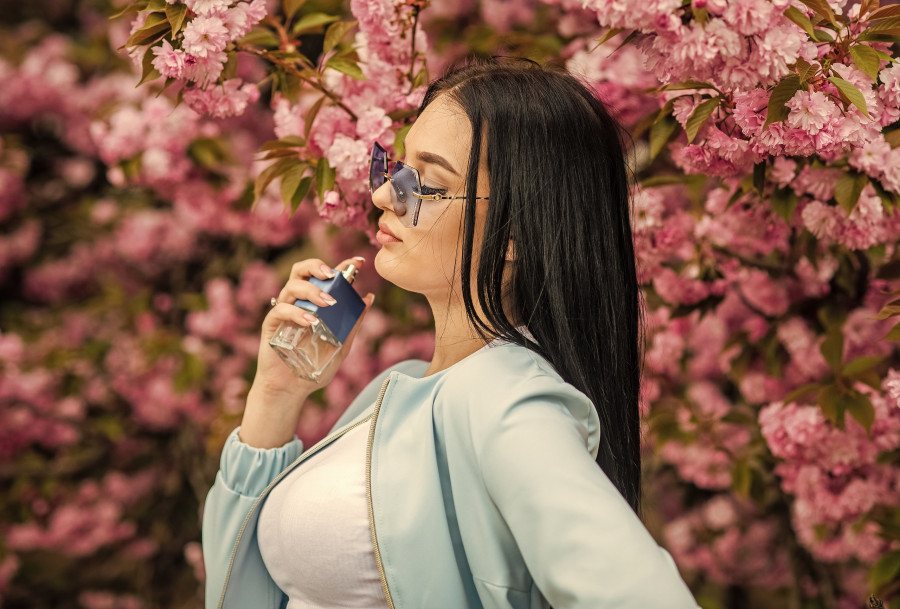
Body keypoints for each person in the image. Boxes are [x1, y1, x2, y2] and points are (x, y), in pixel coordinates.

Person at [201, 58, 701, 609]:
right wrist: (276, 396)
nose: (384, 196)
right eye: (394, 167)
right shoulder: (400, 387)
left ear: (515, 235)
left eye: (428, 183)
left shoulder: (507, 399)